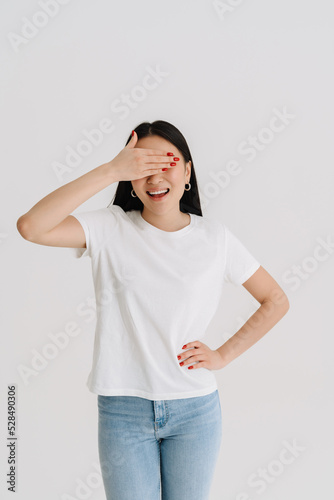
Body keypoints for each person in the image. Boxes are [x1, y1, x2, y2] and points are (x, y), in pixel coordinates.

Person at [16, 120, 290, 500]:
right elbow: (31, 226)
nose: (156, 176)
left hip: (195, 410)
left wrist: (223, 355)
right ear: (130, 177)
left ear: (188, 171)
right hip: (123, 412)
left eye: (168, 163)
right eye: (143, 166)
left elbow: (275, 300)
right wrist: (112, 169)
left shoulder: (215, 239)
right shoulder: (109, 228)